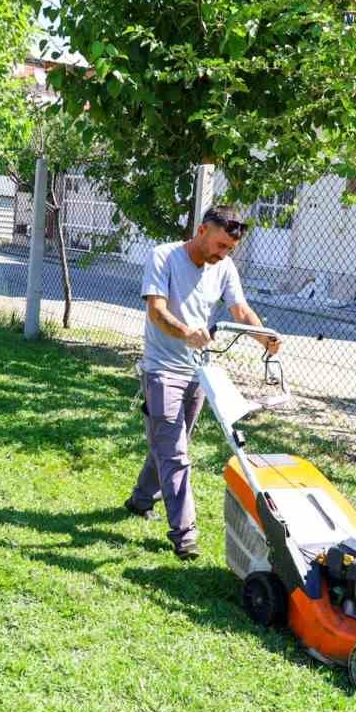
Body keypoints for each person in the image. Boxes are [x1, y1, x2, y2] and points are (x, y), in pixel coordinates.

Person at [126, 204, 280, 560]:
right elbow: (156, 310)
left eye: (229, 249)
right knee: (175, 452)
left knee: (168, 443)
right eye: (219, 245)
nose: (223, 254)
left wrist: (265, 337)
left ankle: (140, 499)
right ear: (201, 230)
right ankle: (185, 534)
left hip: (198, 372)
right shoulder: (163, 256)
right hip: (161, 367)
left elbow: (239, 310)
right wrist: (185, 332)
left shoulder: (224, 267)